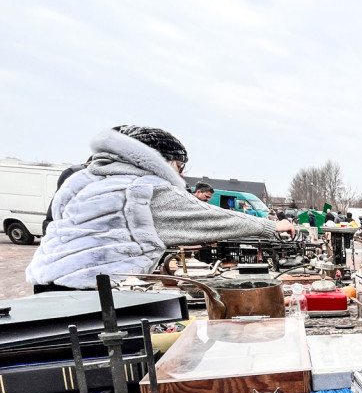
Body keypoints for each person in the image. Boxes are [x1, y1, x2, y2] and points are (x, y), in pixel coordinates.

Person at [26, 125, 296, 292]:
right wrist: (271, 226)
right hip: (93, 291)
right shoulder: (145, 187)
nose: (179, 175)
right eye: (178, 167)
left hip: (48, 283)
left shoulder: (82, 179)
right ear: (160, 162)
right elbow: (210, 217)